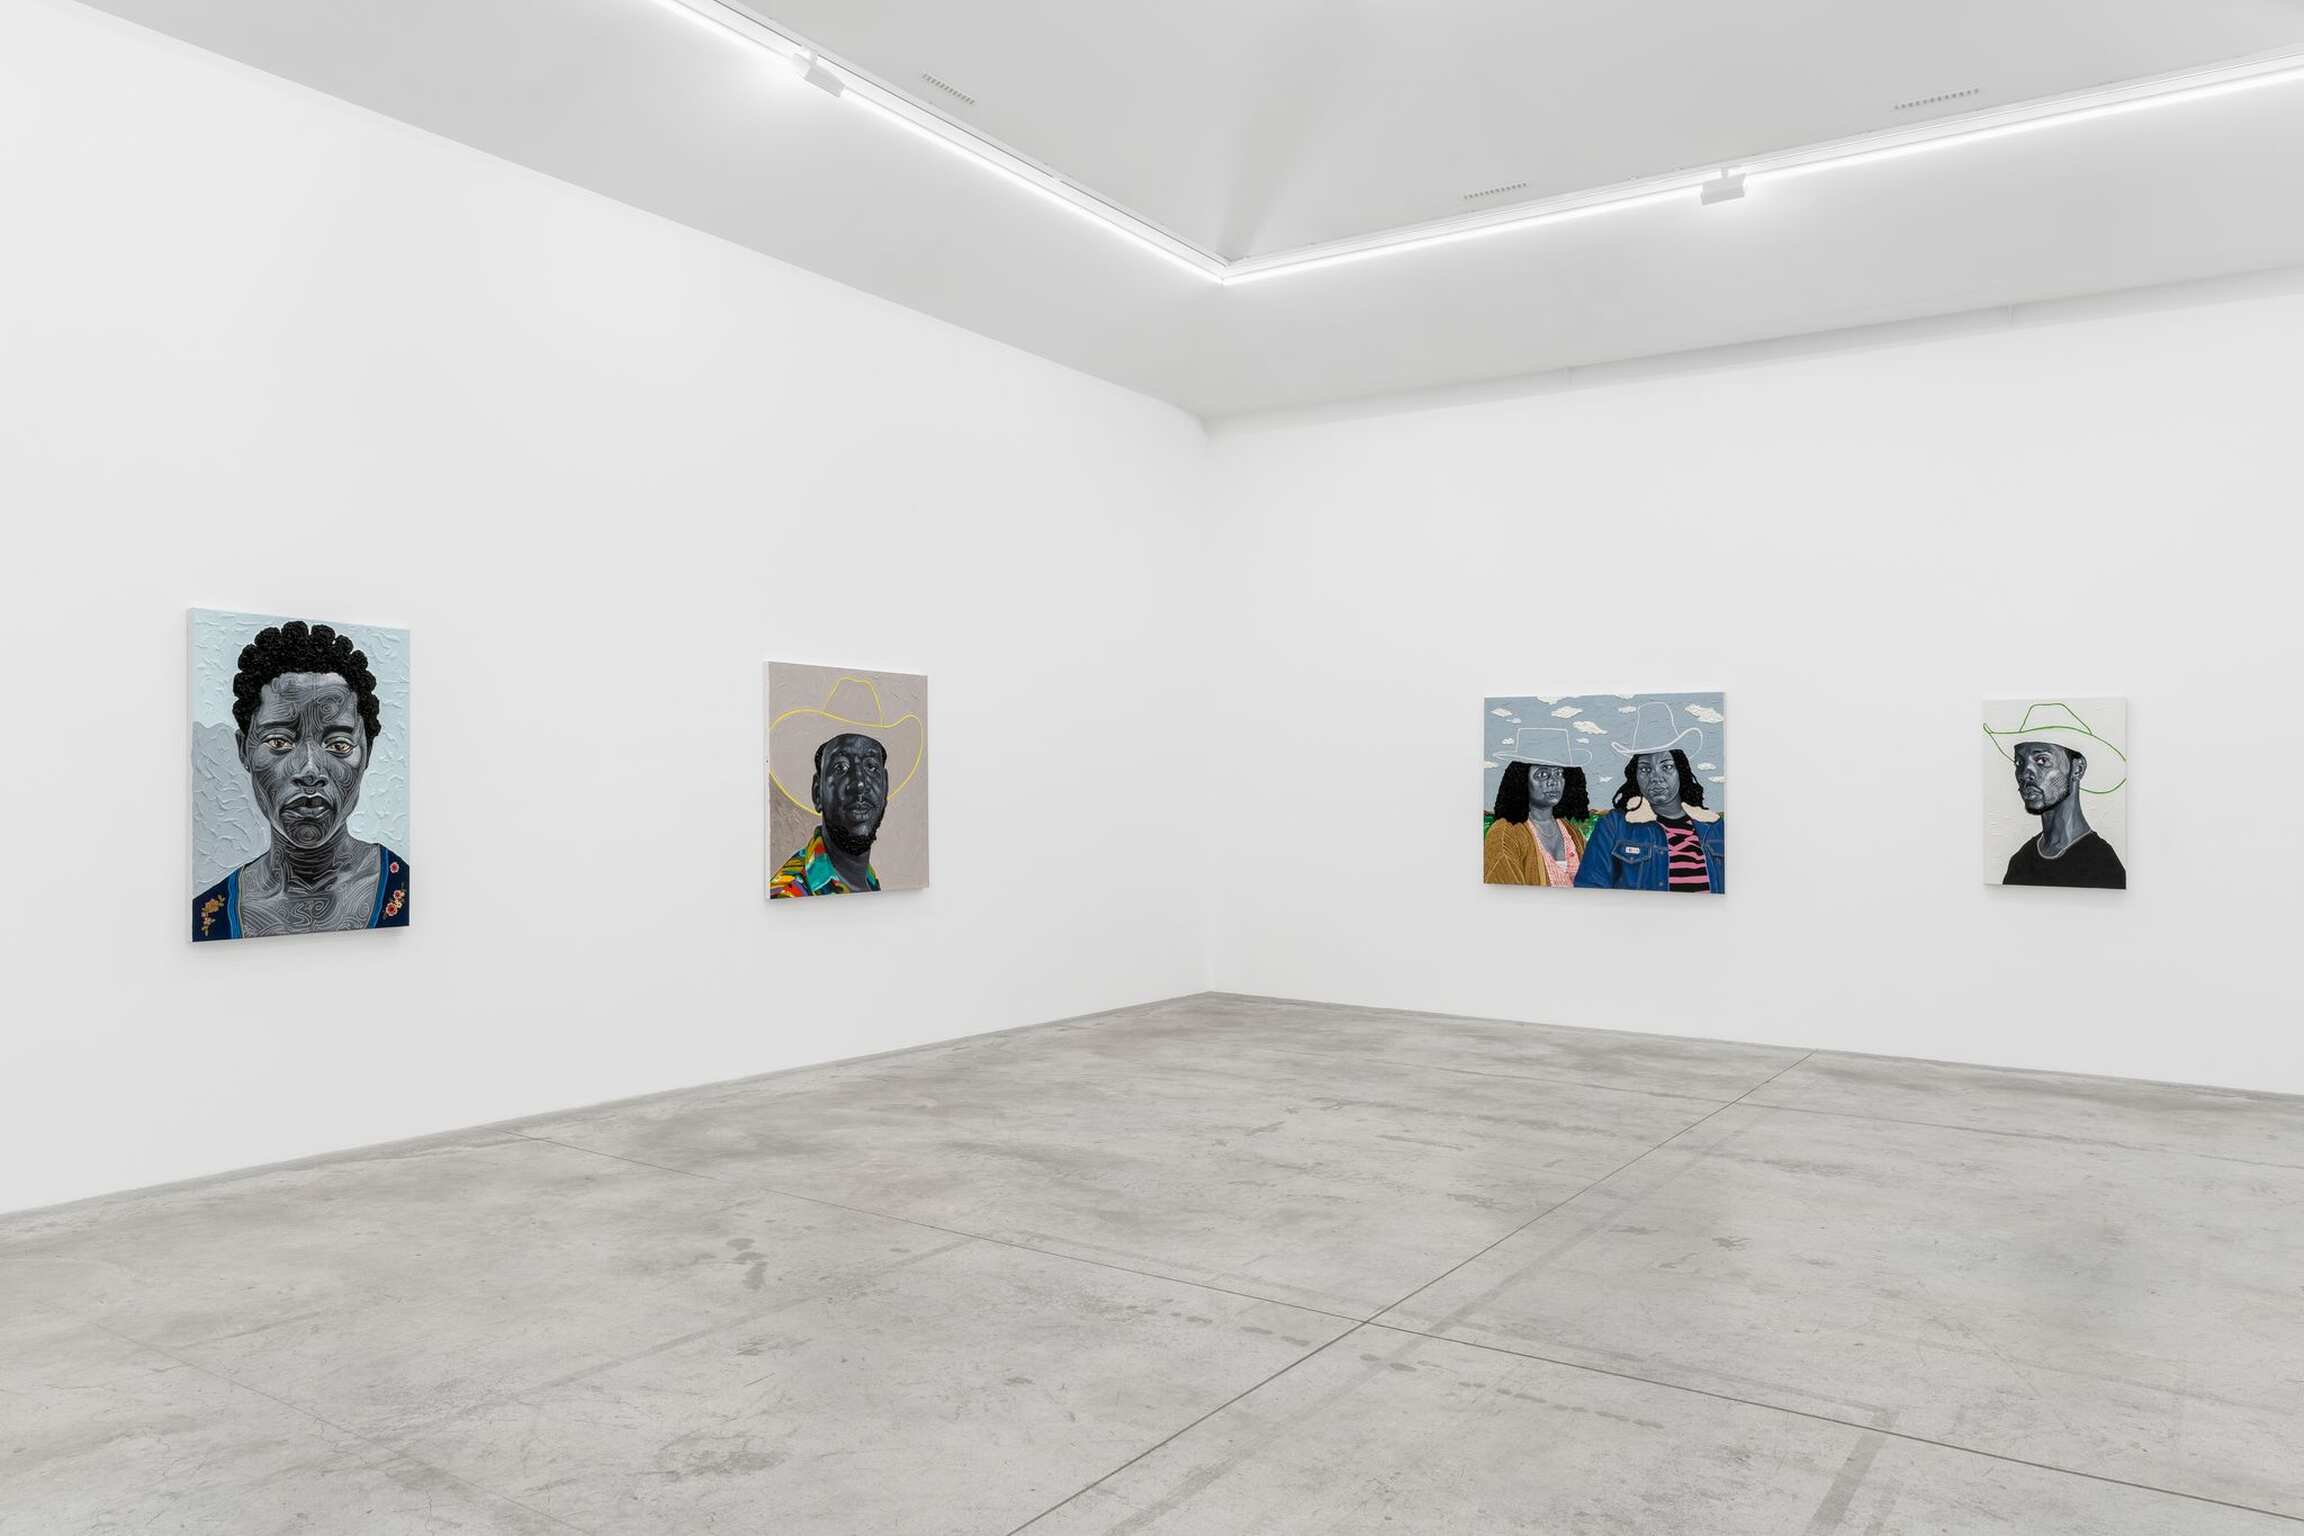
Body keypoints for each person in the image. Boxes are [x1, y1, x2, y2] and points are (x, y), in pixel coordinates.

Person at [192, 620, 409, 940]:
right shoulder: (208, 917)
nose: (309, 769)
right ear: (244, 750)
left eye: (339, 744)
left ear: (367, 752)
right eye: (279, 741)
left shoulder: (406, 891)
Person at [1575, 703, 1723, 893]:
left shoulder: (1715, 828)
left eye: (1667, 766)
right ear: (1635, 776)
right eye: (1645, 769)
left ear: (1681, 771)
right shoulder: (1614, 827)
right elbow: (1589, 888)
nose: (1655, 777)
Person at [771, 732, 889, 897]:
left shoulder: (869, 879)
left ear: (885, 789)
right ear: (817, 793)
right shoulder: (788, 894)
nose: (860, 784)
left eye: (871, 767)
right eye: (841, 767)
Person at [2002, 738, 2126, 889]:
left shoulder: (2103, 866)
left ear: (2077, 769)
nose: (2024, 774)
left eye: (2042, 760)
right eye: (2019, 762)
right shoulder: (2020, 863)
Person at [1483, 731, 1592, 887]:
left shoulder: (1571, 832)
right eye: (1542, 774)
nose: (1554, 781)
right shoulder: (1504, 834)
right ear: (1521, 779)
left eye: (1559, 773)